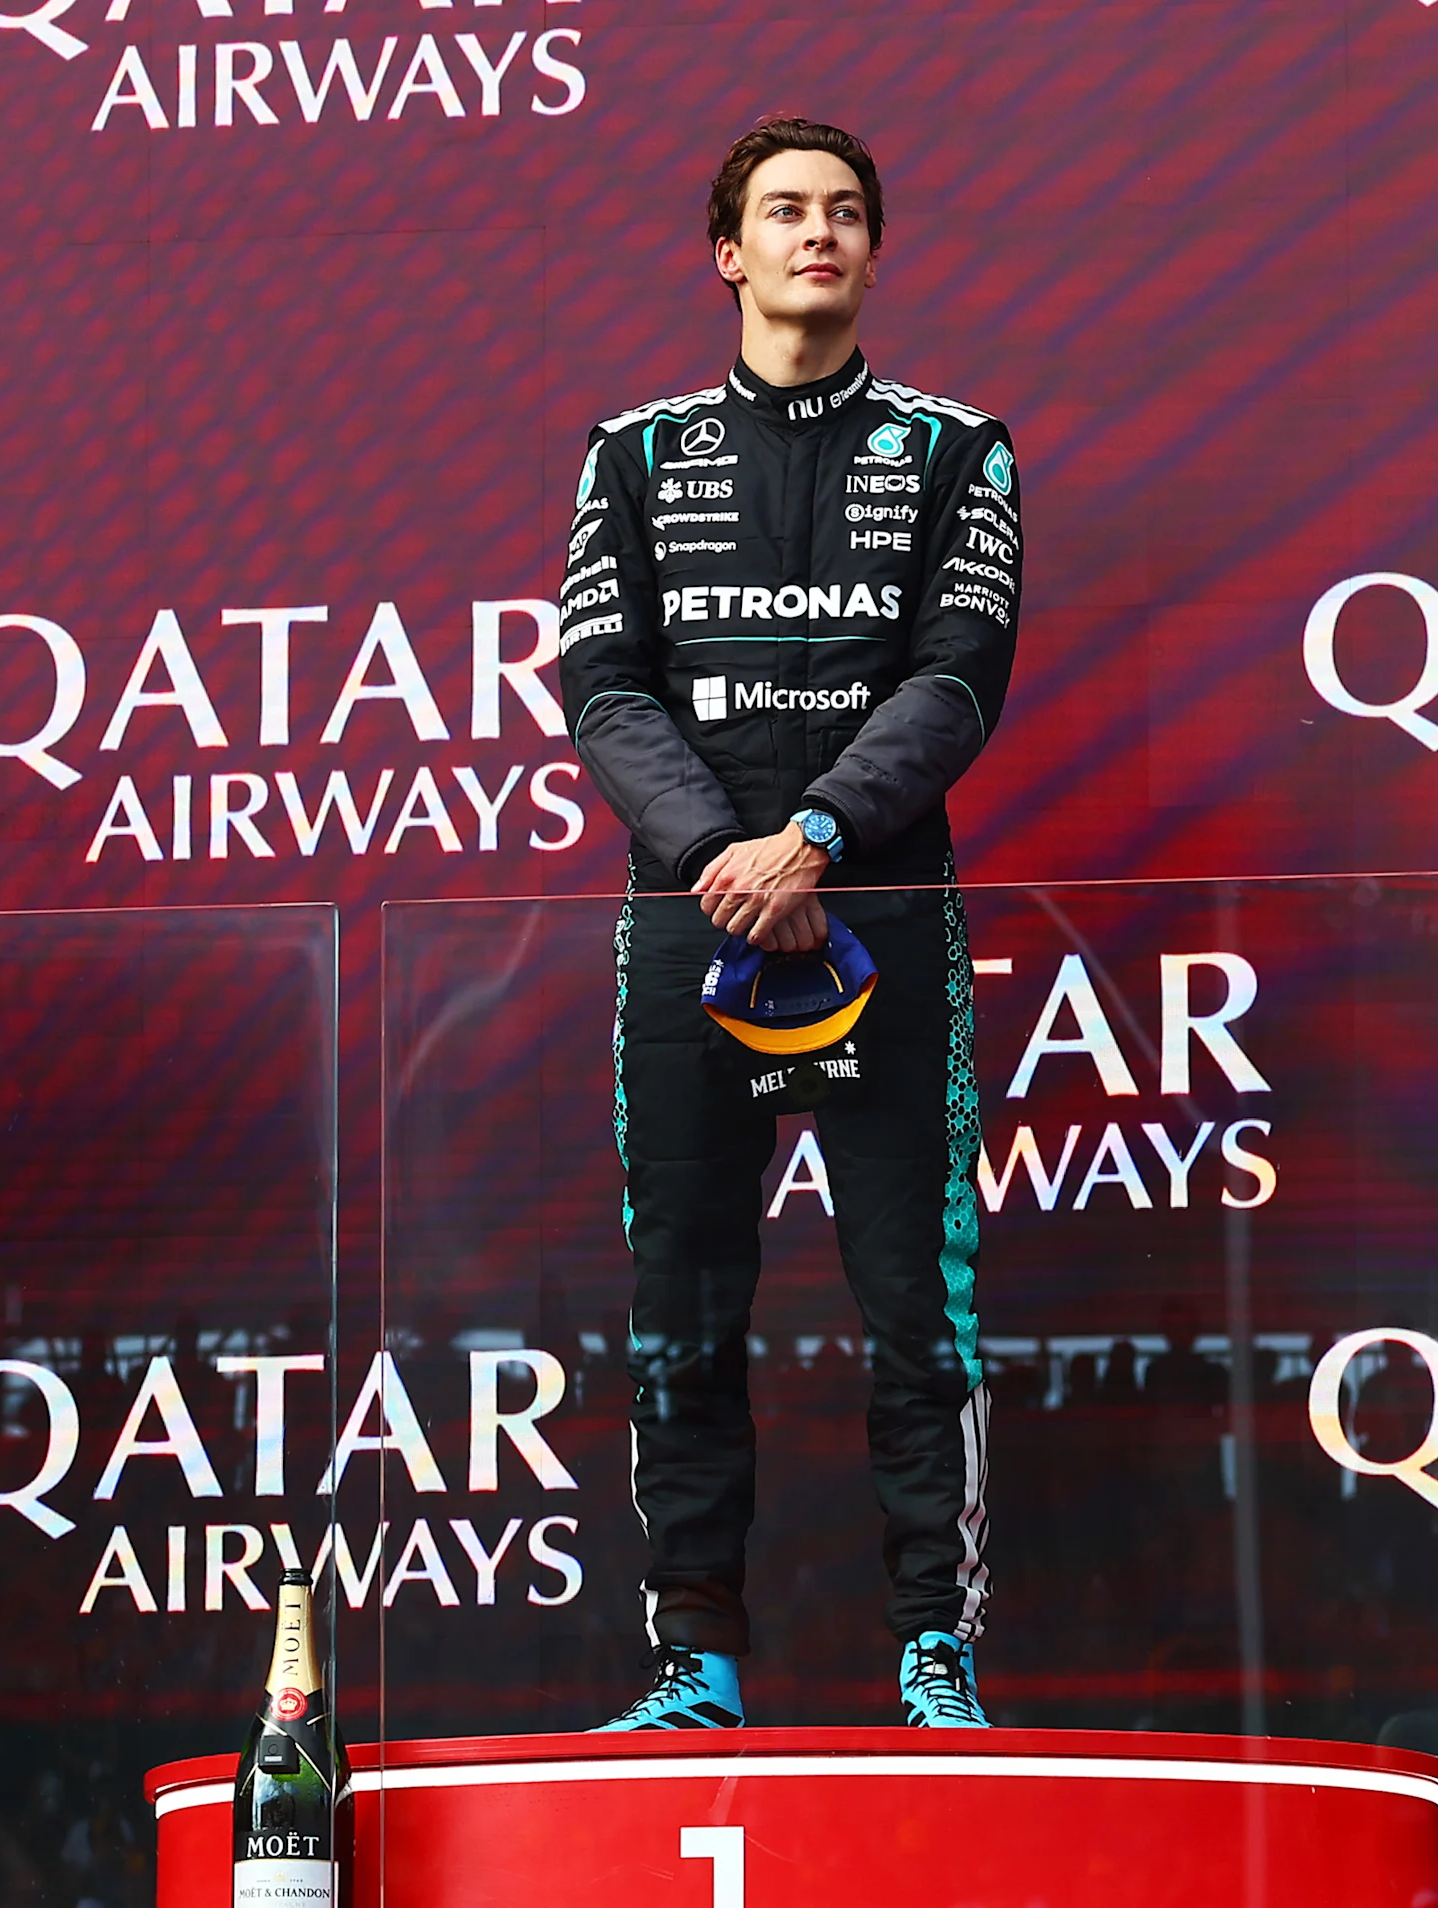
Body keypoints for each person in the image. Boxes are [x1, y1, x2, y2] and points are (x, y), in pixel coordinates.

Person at [559, 116, 1021, 1730]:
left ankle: (935, 1652)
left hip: (879, 905)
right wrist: (722, 856)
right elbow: (603, 691)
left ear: (876, 253)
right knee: (683, 1297)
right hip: (694, 921)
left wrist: (815, 836)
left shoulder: (962, 449)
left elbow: (959, 678)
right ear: (727, 254)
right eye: (783, 212)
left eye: (843, 213)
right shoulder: (632, 454)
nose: (815, 234)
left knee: (919, 1301)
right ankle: (692, 1656)